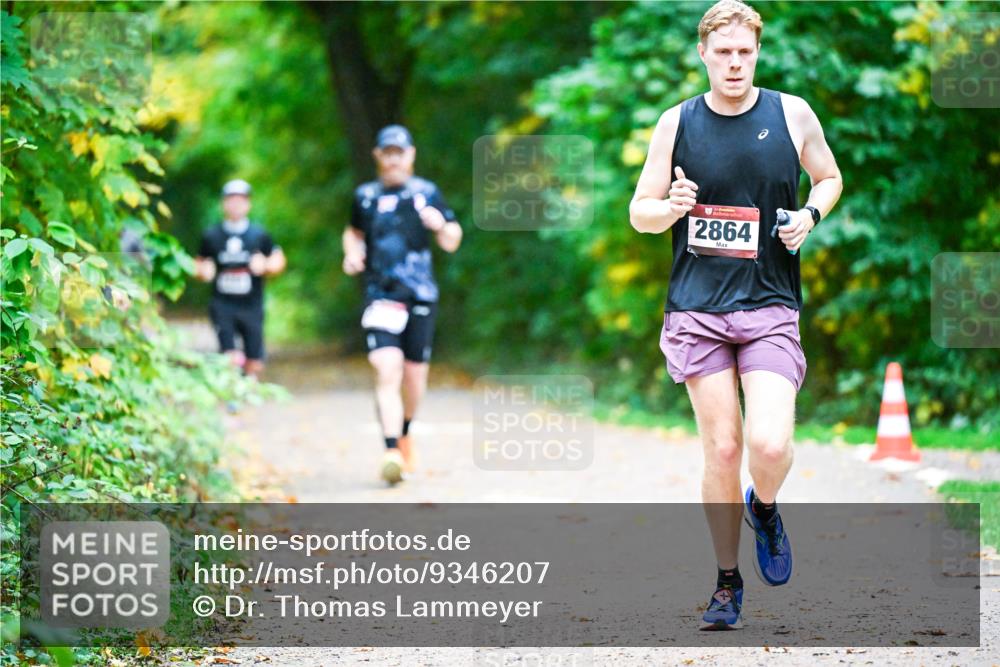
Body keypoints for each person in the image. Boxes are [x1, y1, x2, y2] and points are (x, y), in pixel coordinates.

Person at [629, 0, 842, 630]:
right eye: (722, 52)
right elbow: (639, 212)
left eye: (744, 51)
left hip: (769, 303)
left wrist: (810, 215)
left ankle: (766, 507)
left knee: (769, 444)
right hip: (697, 309)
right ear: (703, 54)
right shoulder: (677, 123)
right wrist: (670, 206)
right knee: (722, 447)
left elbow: (828, 178)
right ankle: (726, 582)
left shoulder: (791, 113)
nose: (734, 63)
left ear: (757, 52)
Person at [342, 125, 463, 485]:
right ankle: (391, 450)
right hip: (381, 295)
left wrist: (440, 225)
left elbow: (453, 240)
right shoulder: (364, 196)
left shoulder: (427, 193)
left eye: (400, 152)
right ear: (378, 156)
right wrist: (352, 253)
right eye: (387, 152)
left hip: (421, 294)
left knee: (414, 380)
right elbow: (353, 231)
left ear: (411, 155)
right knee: (385, 368)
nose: (393, 158)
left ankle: (405, 432)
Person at [195, 179, 287, 379]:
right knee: (229, 354)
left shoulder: (259, 234)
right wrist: (204, 270)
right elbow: (198, 263)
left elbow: (278, 260)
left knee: (254, 358)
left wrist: (266, 265)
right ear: (223, 204)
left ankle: (249, 387)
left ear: (248, 204)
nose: (236, 204)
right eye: (231, 200)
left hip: (252, 303)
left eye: (240, 200)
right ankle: (234, 394)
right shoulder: (211, 235)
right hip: (223, 303)